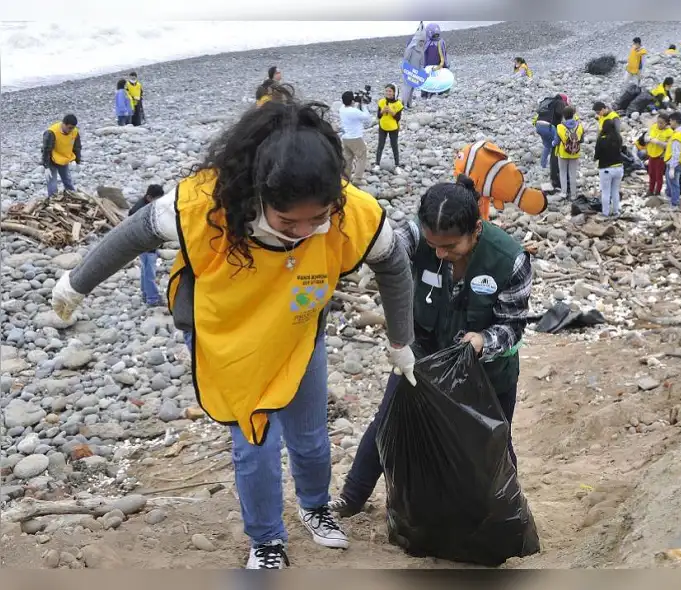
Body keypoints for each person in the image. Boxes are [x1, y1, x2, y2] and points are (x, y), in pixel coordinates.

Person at [50, 93, 417, 570]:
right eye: (288, 221)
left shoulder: (352, 213)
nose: (304, 231)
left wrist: (401, 342)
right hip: (229, 338)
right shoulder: (205, 205)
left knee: (309, 436)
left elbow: (393, 264)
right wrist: (76, 283)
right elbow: (134, 234)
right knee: (255, 443)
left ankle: (315, 506)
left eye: (318, 219)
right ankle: (267, 539)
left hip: (298, 330)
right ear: (258, 195)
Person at [332, 176, 533, 518]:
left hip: (487, 372)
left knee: (492, 443)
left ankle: (506, 514)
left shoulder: (509, 260)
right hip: (422, 358)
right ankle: (352, 497)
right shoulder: (415, 236)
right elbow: (388, 251)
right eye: (433, 244)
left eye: (451, 246)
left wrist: (483, 340)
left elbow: (512, 326)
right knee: (388, 422)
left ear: (476, 229)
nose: (440, 253)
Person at [453, 140, 548, 220]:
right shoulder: (476, 151)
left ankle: (483, 221)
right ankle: (484, 220)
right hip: (490, 187)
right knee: (482, 198)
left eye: (460, 157)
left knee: (481, 197)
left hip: (491, 186)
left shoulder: (473, 157)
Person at [127, 184, 166, 306]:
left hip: (141, 244)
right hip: (147, 245)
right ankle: (152, 299)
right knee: (150, 273)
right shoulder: (142, 210)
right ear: (149, 197)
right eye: (158, 199)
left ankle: (145, 294)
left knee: (145, 270)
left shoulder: (141, 206)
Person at [533, 93, 569, 189]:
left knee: (547, 145)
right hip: (549, 126)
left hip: (539, 125)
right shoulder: (560, 102)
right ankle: (555, 172)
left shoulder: (549, 102)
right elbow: (560, 113)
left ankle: (543, 165)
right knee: (555, 147)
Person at [41, 114, 81, 197]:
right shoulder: (51, 132)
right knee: (52, 184)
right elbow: (46, 150)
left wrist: (77, 161)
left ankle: (73, 196)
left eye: (73, 128)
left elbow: (77, 147)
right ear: (63, 124)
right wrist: (46, 166)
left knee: (68, 180)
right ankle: (53, 199)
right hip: (52, 160)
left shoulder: (74, 132)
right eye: (69, 128)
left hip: (64, 159)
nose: (71, 130)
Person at [339, 90, 374, 183]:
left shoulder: (342, 109)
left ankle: (345, 177)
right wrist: (364, 105)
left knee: (348, 158)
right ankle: (357, 179)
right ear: (352, 101)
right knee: (362, 156)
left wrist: (357, 101)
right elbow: (366, 117)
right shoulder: (353, 111)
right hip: (355, 138)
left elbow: (351, 107)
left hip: (345, 138)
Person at [594, 119, 625, 218]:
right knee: (615, 190)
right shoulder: (618, 138)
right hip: (619, 167)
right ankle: (616, 211)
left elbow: (597, 155)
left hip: (606, 169)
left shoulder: (601, 139)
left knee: (606, 192)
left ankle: (605, 213)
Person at [556, 105, 584, 202]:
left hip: (563, 153)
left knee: (563, 172)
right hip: (575, 153)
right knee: (573, 174)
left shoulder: (560, 127)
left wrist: (553, 143)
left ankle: (563, 193)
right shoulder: (579, 126)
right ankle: (573, 195)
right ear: (573, 114)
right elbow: (582, 140)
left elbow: (556, 141)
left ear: (564, 115)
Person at [665, 112, 681, 209]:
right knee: (671, 181)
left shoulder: (678, 136)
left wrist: (672, 167)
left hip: (675, 163)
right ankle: (669, 197)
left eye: (671, 121)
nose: (670, 123)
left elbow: (676, 152)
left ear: (675, 121)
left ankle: (674, 203)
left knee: (674, 183)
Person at [644, 113, 673, 197]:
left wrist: (658, 142)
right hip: (651, 154)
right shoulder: (653, 127)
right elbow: (647, 136)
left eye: (661, 123)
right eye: (658, 122)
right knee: (651, 174)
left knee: (658, 176)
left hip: (660, 156)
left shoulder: (669, 132)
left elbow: (668, 145)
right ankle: (650, 190)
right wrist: (648, 139)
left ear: (666, 123)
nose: (659, 124)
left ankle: (657, 192)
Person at [376, 84, 404, 169]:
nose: (388, 93)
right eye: (386, 91)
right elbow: (378, 116)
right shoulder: (381, 102)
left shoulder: (398, 104)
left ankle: (397, 165)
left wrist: (391, 112)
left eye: (390, 91)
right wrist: (382, 111)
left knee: (394, 146)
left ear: (394, 92)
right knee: (380, 145)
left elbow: (398, 118)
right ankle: (377, 164)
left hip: (393, 128)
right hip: (383, 126)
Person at [401, 22, 426, 108]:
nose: (421, 43)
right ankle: (403, 104)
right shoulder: (411, 49)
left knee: (412, 88)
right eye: (420, 41)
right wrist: (407, 70)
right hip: (408, 71)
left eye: (423, 41)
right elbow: (406, 60)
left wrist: (422, 71)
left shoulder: (421, 51)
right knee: (407, 88)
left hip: (416, 72)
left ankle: (409, 103)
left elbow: (421, 63)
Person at [422, 23, 449, 98]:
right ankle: (425, 93)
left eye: (437, 35)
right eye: (434, 35)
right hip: (428, 65)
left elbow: (443, 54)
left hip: (438, 65)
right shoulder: (426, 42)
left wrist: (444, 65)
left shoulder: (441, 42)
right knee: (427, 78)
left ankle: (441, 91)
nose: (436, 36)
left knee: (439, 77)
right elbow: (423, 55)